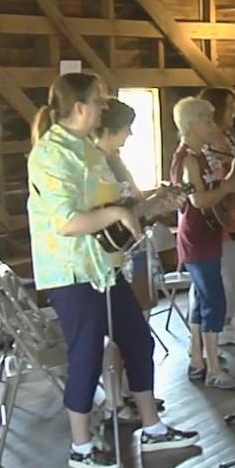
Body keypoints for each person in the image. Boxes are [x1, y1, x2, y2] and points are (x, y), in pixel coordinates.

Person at [27, 73, 197, 468]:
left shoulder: (87, 149)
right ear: (81, 107)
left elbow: (112, 210)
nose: (105, 108)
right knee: (85, 353)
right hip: (71, 271)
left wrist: (148, 206)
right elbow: (67, 221)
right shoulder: (51, 154)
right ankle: (81, 446)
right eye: (99, 102)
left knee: (137, 340)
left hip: (105, 266)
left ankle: (152, 427)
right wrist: (119, 211)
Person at [171, 97, 235, 390]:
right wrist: (228, 186)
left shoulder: (199, 155)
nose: (212, 126)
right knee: (214, 298)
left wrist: (229, 178)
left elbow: (211, 189)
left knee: (203, 298)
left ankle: (198, 359)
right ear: (191, 124)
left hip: (207, 232)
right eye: (207, 120)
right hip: (197, 236)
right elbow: (199, 199)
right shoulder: (187, 158)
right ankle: (214, 367)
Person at [196, 86, 235, 346]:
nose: (233, 113)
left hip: (234, 210)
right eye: (230, 107)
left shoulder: (229, 139)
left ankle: (227, 321)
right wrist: (231, 178)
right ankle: (207, 334)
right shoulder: (201, 146)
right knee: (214, 280)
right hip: (213, 214)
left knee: (234, 274)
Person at [94, 99, 151, 314]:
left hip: (133, 243)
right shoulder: (96, 163)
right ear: (110, 129)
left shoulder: (116, 159)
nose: (130, 134)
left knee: (141, 313)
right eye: (127, 128)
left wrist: (157, 204)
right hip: (114, 251)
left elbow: (135, 202)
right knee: (123, 316)